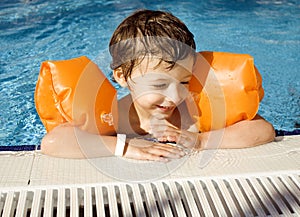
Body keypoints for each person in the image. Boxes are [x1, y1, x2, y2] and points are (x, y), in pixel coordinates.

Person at [40, 9, 275, 161]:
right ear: (122, 77)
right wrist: (123, 147)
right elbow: (53, 142)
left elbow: (263, 131)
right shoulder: (114, 118)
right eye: (160, 84)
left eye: (184, 81)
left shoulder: (193, 114)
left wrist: (201, 141)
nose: (175, 96)